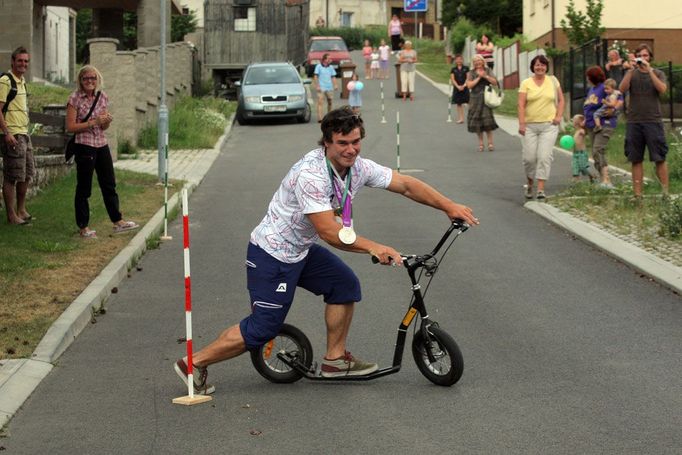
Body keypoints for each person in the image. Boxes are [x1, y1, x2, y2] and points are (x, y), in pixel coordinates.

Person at [173, 106, 479, 394]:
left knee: (344, 286)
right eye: (343, 143)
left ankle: (335, 360)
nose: (351, 149)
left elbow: (406, 185)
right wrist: (374, 247)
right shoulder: (311, 174)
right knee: (262, 329)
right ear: (327, 143)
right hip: (272, 255)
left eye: (356, 142)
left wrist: (448, 206)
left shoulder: (357, 167)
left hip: (302, 250)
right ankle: (194, 363)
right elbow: (329, 231)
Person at [66, 65, 139, 238]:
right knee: (84, 187)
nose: (90, 81)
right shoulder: (74, 98)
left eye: (93, 78)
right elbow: (70, 126)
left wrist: (106, 121)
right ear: (80, 81)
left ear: (97, 79)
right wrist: (93, 122)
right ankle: (83, 227)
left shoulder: (102, 96)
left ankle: (118, 221)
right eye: (86, 79)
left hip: (101, 144)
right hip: (84, 145)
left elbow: (103, 126)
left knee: (109, 184)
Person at [619, 43, 670, 198]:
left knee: (659, 158)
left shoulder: (658, 73)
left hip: (653, 120)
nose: (643, 58)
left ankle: (665, 193)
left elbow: (662, 89)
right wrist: (630, 70)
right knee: (636, 159)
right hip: (634, 121)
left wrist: (649, 71)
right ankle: (637, 195)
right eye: (640, 55)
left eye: (646, 55)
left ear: (650, 58)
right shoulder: (632, 73)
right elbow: (621, 89)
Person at [517, 54, 564, 200]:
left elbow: (561, 100)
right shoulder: (526, 83)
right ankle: (530, 183)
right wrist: (522, 123)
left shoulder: (553, 81)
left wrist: (558, 116)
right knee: (529, 158)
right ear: (533, 67)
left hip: (549, 126)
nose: (540, 67)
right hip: (530, 126)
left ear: (546, 67)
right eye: (537, 65)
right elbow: (521, 104)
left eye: (543, 65)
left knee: (544, 157)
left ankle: (541, 189)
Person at [0, 47, 34, 225]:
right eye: (20, 60)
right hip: (12, 135)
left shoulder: (22, 81)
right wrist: (7, 133)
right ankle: (11, 215)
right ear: (12, 61)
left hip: (24, 134)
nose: (23, 64)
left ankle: (21, 209)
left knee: (27, 174)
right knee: (12, 176)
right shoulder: (6, 81)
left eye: (26, 61)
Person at [583, 66, 621, 189]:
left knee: (598, 150)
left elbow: (618, 96)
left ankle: (606, 180)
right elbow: (589, 106)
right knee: (595, 154)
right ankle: (603, 181)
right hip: (591, 126)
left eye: (588, 76)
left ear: (592, 77)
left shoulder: (603, 88)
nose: (587, 78)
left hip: (604, 124)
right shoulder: (591, 90)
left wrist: (614, 108)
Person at [466, 54, 498, 152]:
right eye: (475, 61)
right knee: (477, 123)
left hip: (486, 98)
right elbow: (469, 85)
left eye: (479, 61)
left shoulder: (488, 70)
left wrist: (485, 76)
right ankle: (480, 143)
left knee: (487, 121)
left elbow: (495, 82)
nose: (477, 63)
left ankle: (490, 143)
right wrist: (479, 78)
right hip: (475, 99)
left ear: (483, 61)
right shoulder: (471, 73)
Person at [570, 114, 599, 183]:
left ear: (579, 123)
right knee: (575, 167)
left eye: (574, 120)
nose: (572, 122)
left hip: (582, 154)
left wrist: (585, 122)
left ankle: (593, 176)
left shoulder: (581, 131)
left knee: (584, 167)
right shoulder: (576, 131)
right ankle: (576, 180)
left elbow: (585, 131)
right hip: (575, 154)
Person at [314, 53, 338, 123]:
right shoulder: (318, 66)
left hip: (329, 87)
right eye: (329, 59)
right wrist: (317, 85)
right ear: (324, 60)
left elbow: (333, 77)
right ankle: (320, 118)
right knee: (320, 102)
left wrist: (335, 85)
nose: (330, 60)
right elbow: (315, 76)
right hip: (321, 87)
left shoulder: (331, 67)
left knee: (330, 102)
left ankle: (329, 117)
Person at [449, 54, 470, 124]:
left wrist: (464, 85)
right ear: (455, 60)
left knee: (469, 102)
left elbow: (468, 78)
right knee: (459, 104)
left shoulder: (466, 68)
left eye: (460, 59)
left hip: (465, 87)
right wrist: (458, 86)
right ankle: (461, 118)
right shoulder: (453, 69)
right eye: (457, 59)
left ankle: (472, 117)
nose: (459, 61)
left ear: (462, 60)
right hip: (457, 88)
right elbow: (453, 79)